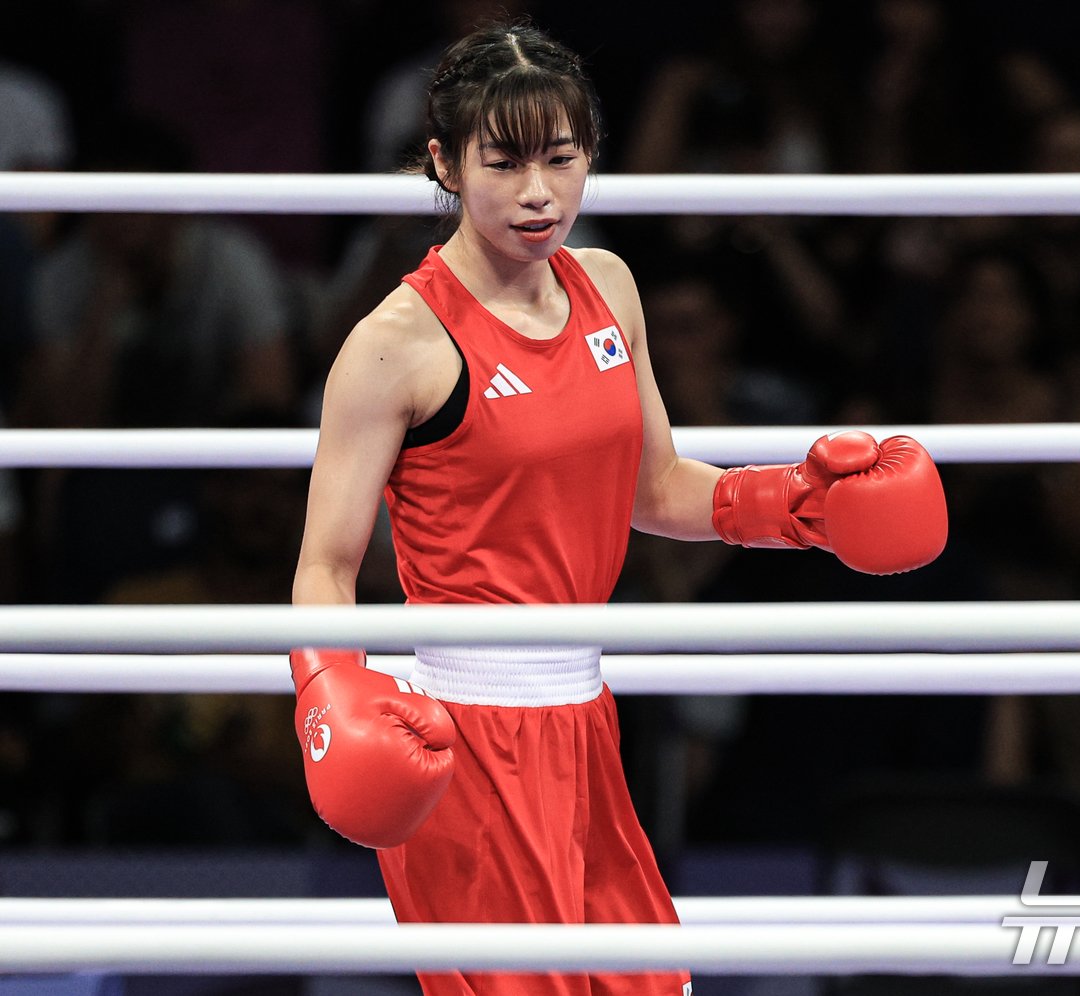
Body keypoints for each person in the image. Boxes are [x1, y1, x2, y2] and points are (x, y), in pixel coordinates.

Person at [289, 20, 948, 996]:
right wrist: (327, 696)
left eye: (560, 159)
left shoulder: (608, 287)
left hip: (586, 718)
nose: (536, 193)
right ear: (442, 163)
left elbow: (655, 489)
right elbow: (324, 566)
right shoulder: (396, 343)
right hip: (462, 736)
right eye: (503, 162)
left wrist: (801, 507)